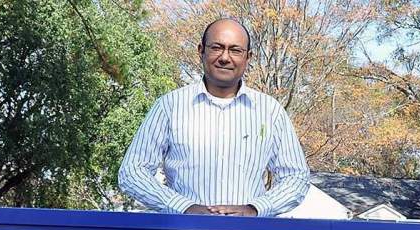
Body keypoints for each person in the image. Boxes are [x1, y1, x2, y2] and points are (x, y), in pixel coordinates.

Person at [118, 18, 310, 216]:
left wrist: (255, 209)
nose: (225, 57)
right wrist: (183, 207)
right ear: (201, 50)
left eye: (235, 50)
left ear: (248, 57)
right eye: (217, 47)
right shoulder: (170, 106)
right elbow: (133, 172)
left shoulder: (270, 111)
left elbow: (296, 177)